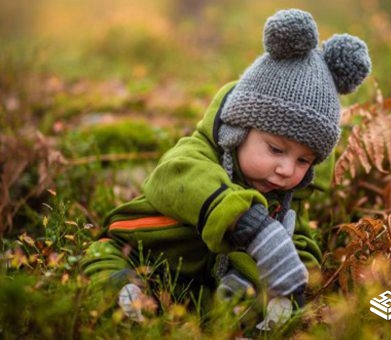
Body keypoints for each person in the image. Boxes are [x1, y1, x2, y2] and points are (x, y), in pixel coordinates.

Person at [81, 8, 371, 327]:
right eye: (275, 149)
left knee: (248, 298)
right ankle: (123, 293)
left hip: (198, 286)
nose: (287, 169)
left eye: (304, 160)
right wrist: (247, 221)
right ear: (239, 131)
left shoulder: (286, 198)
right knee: (104, 257)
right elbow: (174, 176)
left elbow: (299, 242)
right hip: (141, 250)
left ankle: (224, 312)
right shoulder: (199, 153)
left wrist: (294, 283)